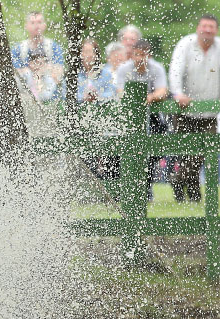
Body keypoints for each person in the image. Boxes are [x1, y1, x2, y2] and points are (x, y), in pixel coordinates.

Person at [169, 13, 220, 203]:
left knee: (200, 156)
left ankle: (177, 180)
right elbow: (175, 70)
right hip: (185, 112)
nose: (207, 29)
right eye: (204, 26)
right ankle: (194, 196)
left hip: (209, 114)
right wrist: (177, 93)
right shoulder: (186, 44)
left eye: (211, 26)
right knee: (187, 154)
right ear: (198, 27)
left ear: (216, 30)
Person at [114, 39, 169, 199]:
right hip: (128, 116)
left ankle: (147, 188)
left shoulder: (156, 68)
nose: (139, 59)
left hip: (151, 116)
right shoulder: (124, 69)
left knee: (153, 152)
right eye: (137, 55)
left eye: (143, 55)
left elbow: (163, 91)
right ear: (132, 55)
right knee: (124, 151)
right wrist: (137, 99)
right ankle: (124, 189)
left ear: (148, 55)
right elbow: (120, 91)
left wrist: (150, 97)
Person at [77, 38, 115, 103]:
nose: (89, 55)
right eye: (86, 52)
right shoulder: (73, 75)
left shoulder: (105, 74)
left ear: (96, 55)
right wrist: (83, 97)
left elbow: (111, 93)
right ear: (80, 54)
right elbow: (66, 95)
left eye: (92, 52)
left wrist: (98, 96)